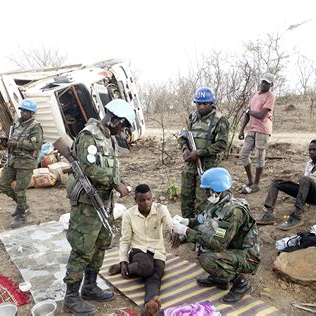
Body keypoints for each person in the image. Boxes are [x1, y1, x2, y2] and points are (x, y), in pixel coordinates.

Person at [63, 99, 135, 315]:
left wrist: (117, 183)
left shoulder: (107, 137)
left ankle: (90, 286)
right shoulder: (89, 136)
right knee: (82, 249)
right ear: (115, 120)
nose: (122, 130)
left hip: (104, 202)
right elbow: (88, 169)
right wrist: (116, 184)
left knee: (101, 243)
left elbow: (110, 169)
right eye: (122, 125)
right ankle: (71, 297)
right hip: (87, 205)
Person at [171, 168, 260, 304]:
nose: (205, 193)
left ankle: (241, 284)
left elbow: (218, 244)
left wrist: (186, 231)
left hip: (247, 257)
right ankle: (221, 279)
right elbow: (202, 220)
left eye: (208, 190)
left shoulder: (234, 212)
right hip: (231, 247)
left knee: (207, 258)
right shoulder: (218, 203)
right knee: (202, 240)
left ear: (217, 188)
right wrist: (187, 221)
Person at [108, 184, 172, 314]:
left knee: (156, 275)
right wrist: (123, 259)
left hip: (158, 252)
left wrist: (175, 231)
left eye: (149, 199)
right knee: (147, 267)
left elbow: (170, 224)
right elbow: (125, 240)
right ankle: (125, 267)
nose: (146, 203)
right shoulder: (128, 214)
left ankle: (149, 304)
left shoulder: (161, 209)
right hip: (138, 251)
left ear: (152, 198)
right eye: (142, 200)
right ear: (135, 200)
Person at [256, 139, 316, 230]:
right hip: (311, 195)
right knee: (277, 182)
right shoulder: (309, 164)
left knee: (305, 179)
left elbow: (315, 176)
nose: (311, 152)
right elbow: (305, 184)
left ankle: (297, 216)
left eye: (314, 150)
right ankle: (268, 213)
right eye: (310, 150)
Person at [179, 87, 230, 218]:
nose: (201, 107)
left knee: (203, 200)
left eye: (204, 104)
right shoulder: (192, 117)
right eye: (198, 104)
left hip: (208, 166)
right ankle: (186, 225)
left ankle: (201, 229)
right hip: (191, 163)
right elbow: (184, 137)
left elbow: (222, 144)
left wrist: (200, 153)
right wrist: (185, 149)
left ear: (212, 103)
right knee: (186, 196)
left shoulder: (220, 120)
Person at [0, 99, 43, 228]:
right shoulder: (17, 124)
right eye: (22, 110)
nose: (23, 113)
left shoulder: (35, 126)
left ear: (32, 113)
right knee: (3, 184)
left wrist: (17, 144)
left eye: (27, 111)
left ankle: (22, 215)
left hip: (26, 162)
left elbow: (36, 145)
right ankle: (22, 205)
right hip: (13, 159)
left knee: (20, 189)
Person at [238, 73, 276, 194]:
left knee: (260, 156)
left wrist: (249, 111)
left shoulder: (270, 96)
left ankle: (256, 183)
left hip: (263, 130)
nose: (264, 85)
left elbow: (261, 115)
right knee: (244, 154)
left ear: (271, 85)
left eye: (267, 83)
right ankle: (250, 180)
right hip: (252, 129)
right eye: (263, 82)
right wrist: (241, 129)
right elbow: (247, 114)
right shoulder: (254, 95)